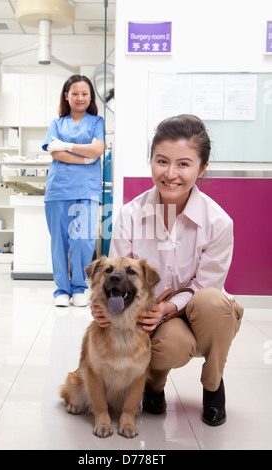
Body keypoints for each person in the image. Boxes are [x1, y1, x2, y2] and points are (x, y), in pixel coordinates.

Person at [91, 114, 244, 426]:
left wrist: (168, 307)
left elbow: (205, 286)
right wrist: (104, 307)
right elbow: (117, 277)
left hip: (200, 310)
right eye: (162, 161)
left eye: (184, 164)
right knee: (169, 346)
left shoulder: (218, 222)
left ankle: (213, 385)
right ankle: (154, 384)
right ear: (151, 161)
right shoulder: (131, 215)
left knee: (213, 301)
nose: (171, 173)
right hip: (151, 315)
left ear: (202, 169)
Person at [42, 75, 104, 307]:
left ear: (90, 96)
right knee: (59, 241)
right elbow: (54, 153)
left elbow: (97, 149)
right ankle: (62, 290)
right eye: (75, 93)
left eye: (85, 93)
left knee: (84, 240)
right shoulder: (57, 124)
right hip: (58, 189)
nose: (80, 98)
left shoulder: (97, 121)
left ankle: (79, 286)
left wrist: (66, 145)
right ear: (66, 96)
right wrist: (84, 158)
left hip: (87, 190)